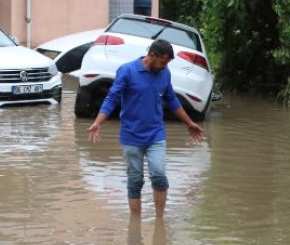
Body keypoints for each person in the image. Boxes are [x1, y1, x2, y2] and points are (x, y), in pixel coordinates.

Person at [87, 39, 203, 219]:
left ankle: (159, 221)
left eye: (167, 63)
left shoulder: (165, 74)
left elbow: (171, 99)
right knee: (135, 181)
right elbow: (112, 98)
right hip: (130, 136)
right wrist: (98, 122)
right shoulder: (127, 71)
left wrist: (190, 123)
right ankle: (135, 224)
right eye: (163, 62)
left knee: (159, 175)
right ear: (152, 55)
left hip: (156, 134)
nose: (165, 67)